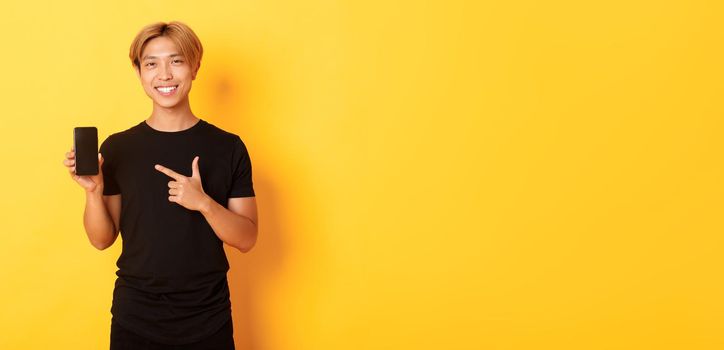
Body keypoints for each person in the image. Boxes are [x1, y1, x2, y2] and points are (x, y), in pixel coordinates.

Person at [62, 21, 258, 349]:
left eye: (176, 61)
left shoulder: (228, 147)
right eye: (151, 64)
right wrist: (93, 191)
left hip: (208, 318)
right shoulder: (117, 148)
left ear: (195, 67)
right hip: (135, 318)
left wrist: (204, 203)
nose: (164, 74)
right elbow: (101, 239)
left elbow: (248, 238)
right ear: (139, 72)